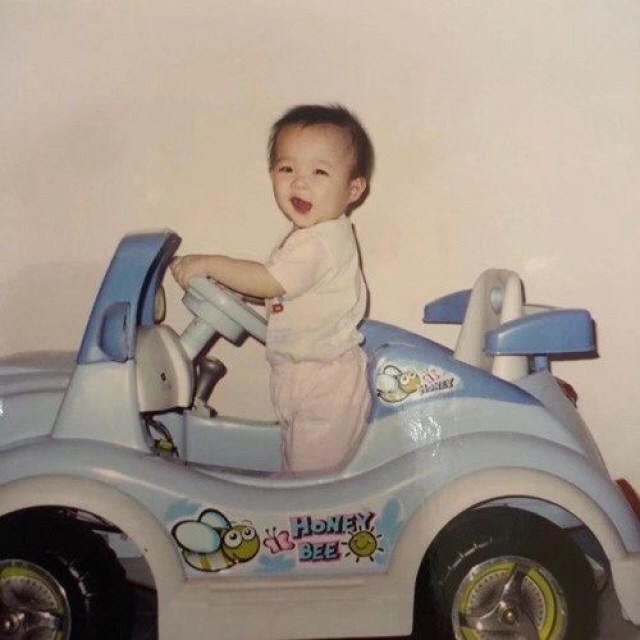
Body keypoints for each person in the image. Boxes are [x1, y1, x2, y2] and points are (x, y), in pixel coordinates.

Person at [171, 104, 374, 475]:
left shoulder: (319, 244)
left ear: (353, 189)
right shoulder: (309, 238)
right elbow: (278, 289)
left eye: (319, 172)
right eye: (286, 169)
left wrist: (210, 264)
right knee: (296, 464)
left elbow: (269, 280)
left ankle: (306, 510)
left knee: (311, 479)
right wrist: (235, 287)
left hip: (324, 384)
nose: (299, 183)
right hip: (303, 376)